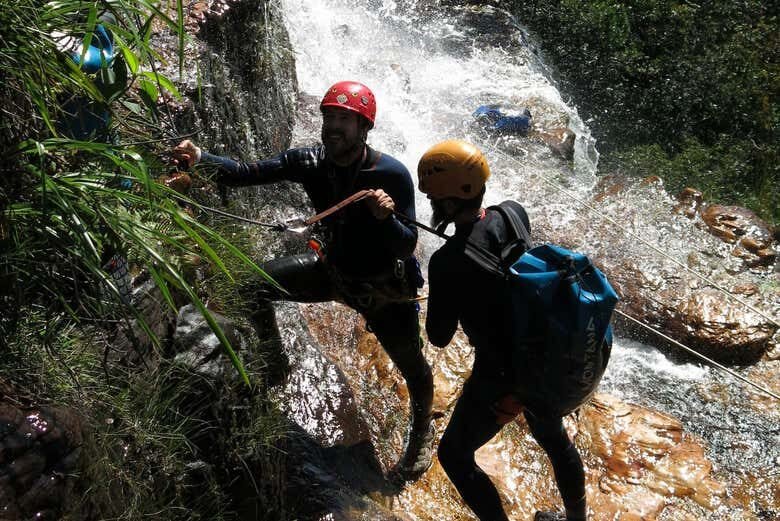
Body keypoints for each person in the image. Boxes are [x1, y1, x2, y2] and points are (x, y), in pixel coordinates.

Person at [172, 81, 435, 480]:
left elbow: (406, 246)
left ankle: (420, 433)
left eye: (344, 119)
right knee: (252, 286)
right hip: (331, 272)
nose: (333, 126)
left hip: (382, 291)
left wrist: (387, 220)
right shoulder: (310, 161)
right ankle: (275, 360)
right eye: (329, 116)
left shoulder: (389, 173)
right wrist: (200, 156)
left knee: (413, 369)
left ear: (364, 127)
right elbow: (245, 173)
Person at [418, 139, 587, 521]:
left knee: (454, 455)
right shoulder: (512, 212)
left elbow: (439, 337)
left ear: (446, 200)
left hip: (501, 375)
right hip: (543, 357)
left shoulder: (447, 263)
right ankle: (578, 518)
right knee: (552, 437)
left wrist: (443, 286)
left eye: (432, 196)